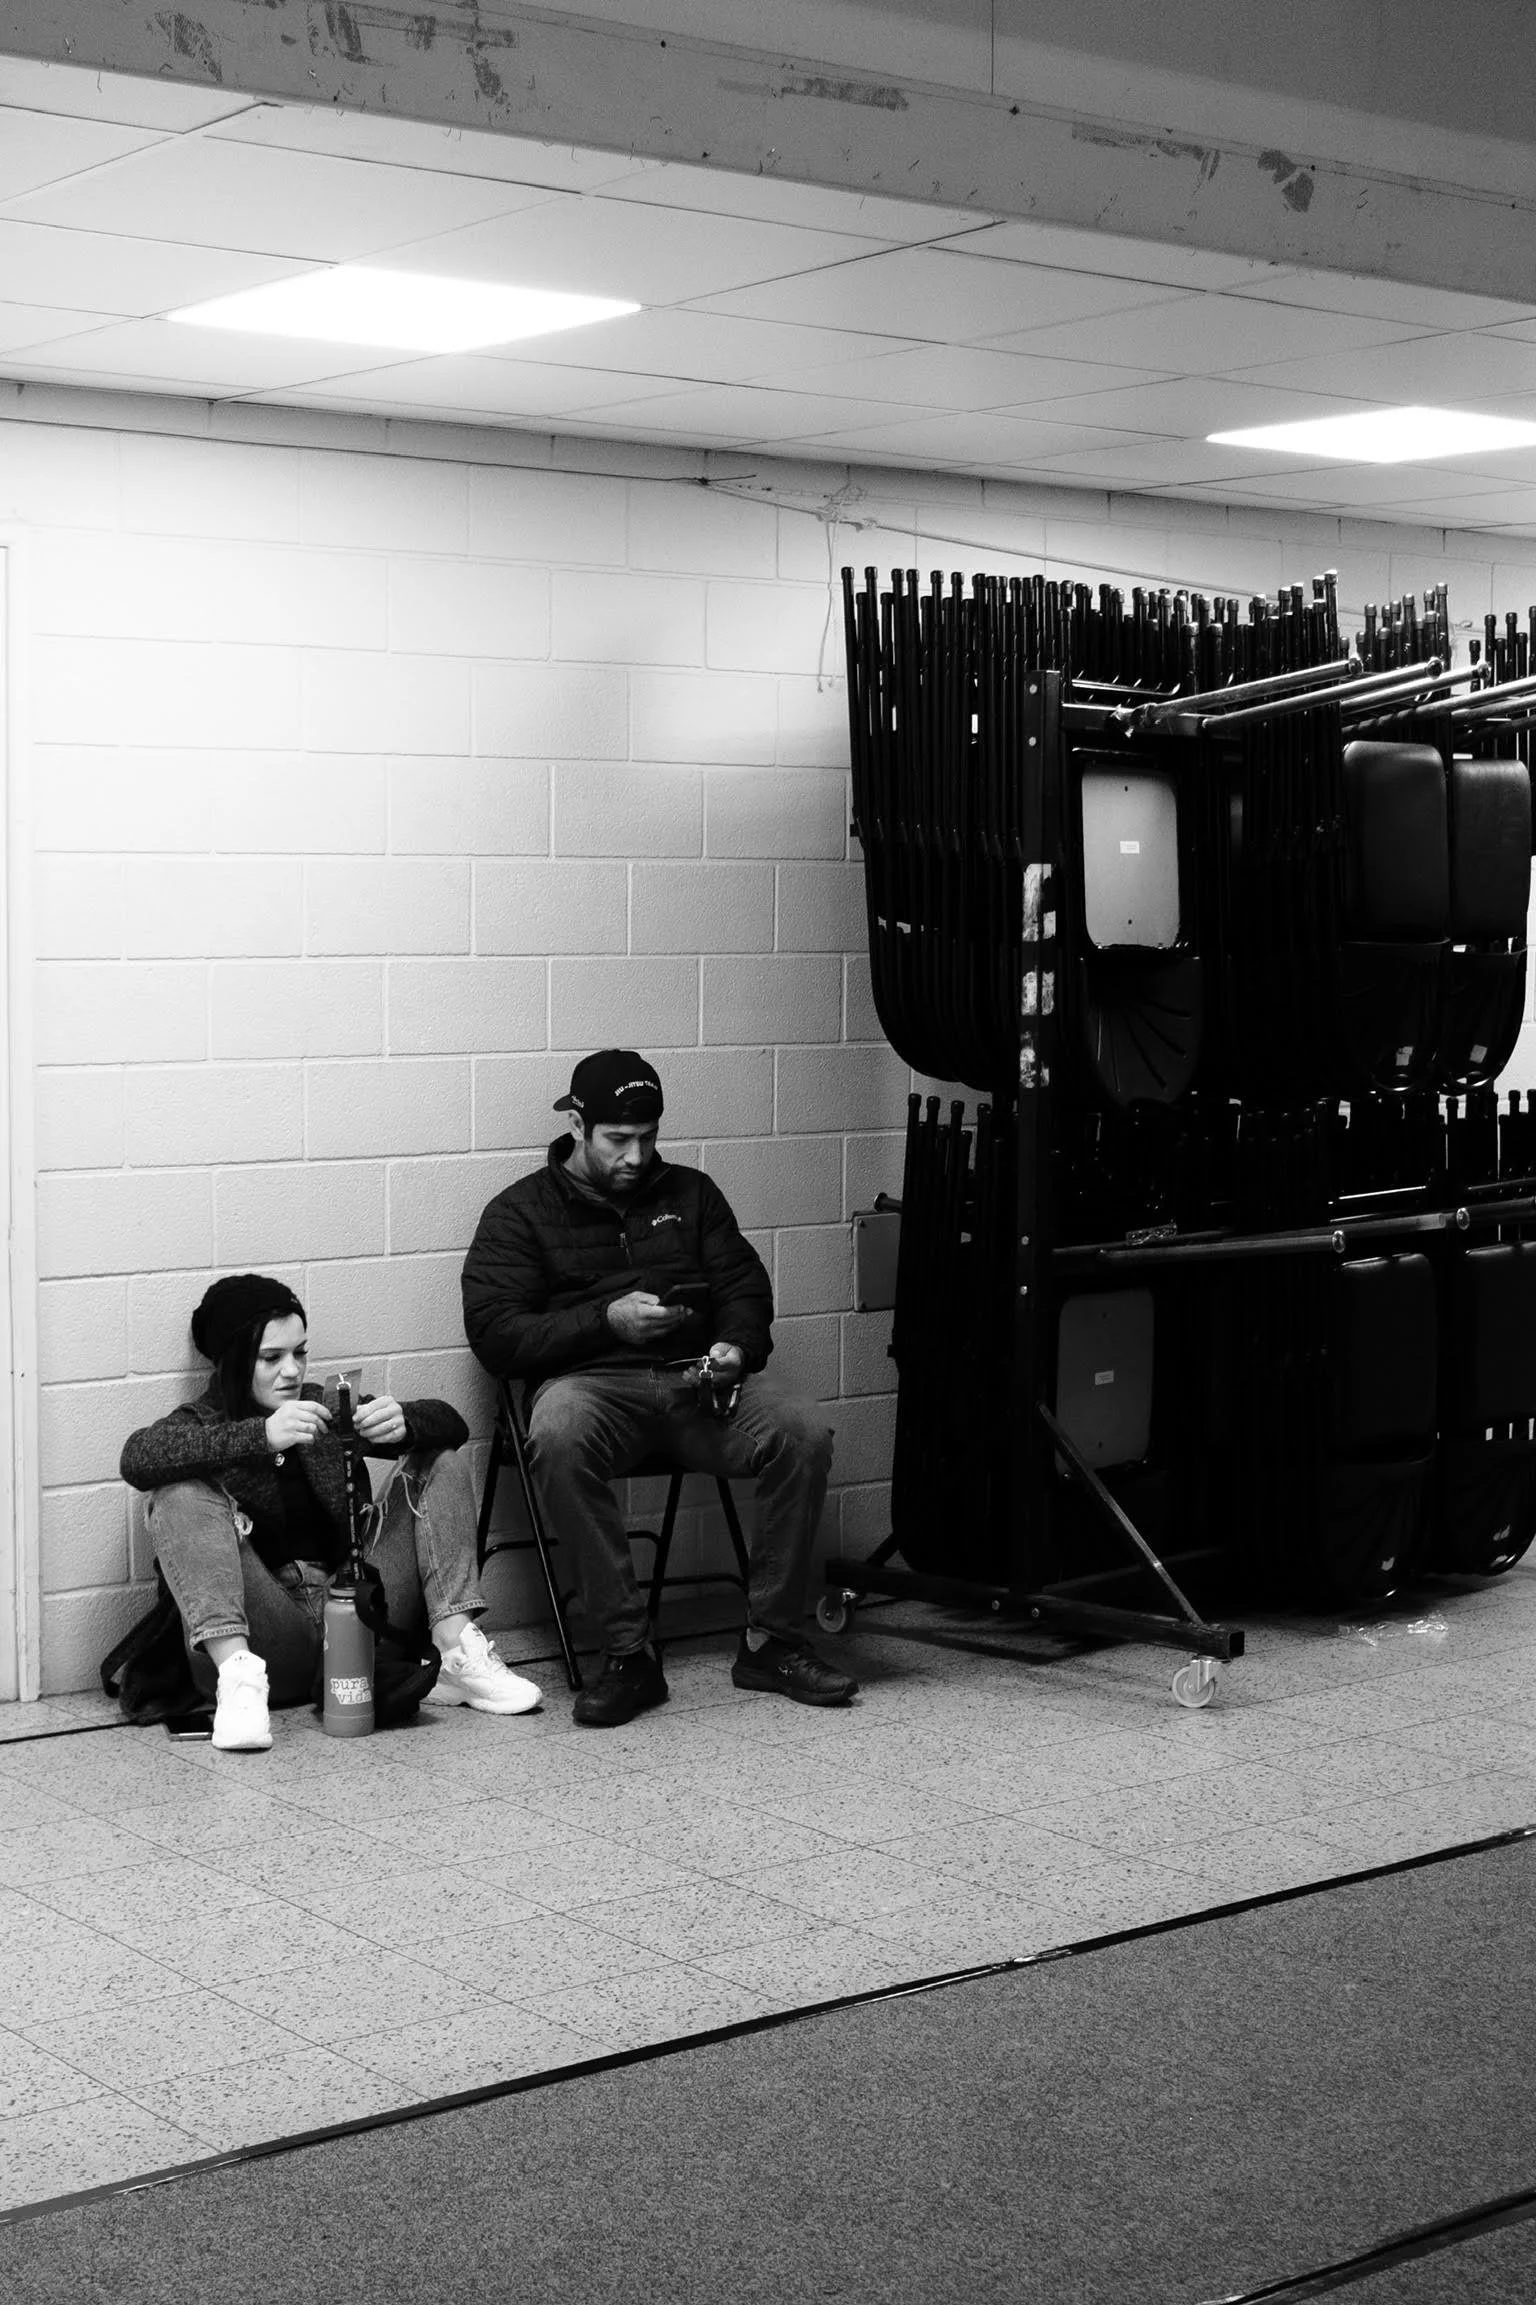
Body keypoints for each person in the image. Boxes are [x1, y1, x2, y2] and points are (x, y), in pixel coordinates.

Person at [460, 1048, 857, 1727]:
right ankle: (629, 1653)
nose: (637, 1156)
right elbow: (496, 1334)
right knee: (554, 1431)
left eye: (648, 1138)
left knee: (801, 1429)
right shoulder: (521, 1212)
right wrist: (603, 1319)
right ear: (578, 1125)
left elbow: (744, 1287)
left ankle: (771, 1640)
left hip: (695, 1383)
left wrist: (738, 1346)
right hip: (592, 1387)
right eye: (619, 1140)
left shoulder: (691, 1194)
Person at [120, 1272, 541, 1752]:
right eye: (271, 1358)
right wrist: (260, 1437)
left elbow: (453, 1423)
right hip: (266, 1632)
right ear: (234, 1362)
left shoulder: (320, 1405)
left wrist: (407, 1423)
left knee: (439, 1459)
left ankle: (457, 1649)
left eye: (299, 1352)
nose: (292, 1371)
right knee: (175, 1493)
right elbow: (138, 1457)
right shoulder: (204, 1422)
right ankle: (240, 1683)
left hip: (351, 1618)